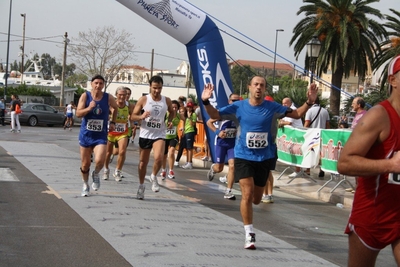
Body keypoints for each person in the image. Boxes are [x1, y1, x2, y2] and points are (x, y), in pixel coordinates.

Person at [201, 76, 318, 249]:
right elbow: (215, 115)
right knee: (246, 194)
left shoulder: (273, 107)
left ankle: (251, 222)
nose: (258, 88)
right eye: (255, 84)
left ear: (265, 90)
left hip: (264, 157)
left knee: (256, 199)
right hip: (243, 156)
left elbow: (297, 114)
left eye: (262, 85)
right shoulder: (238, 107)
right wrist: (205, 101)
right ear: (249, 87)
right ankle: (249, 233)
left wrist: (309, 102)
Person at [337, 55, 400, 267]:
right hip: (373, 214)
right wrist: (390, 165)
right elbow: (345, 163)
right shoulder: (378, 116)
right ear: (393, 80)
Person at [130, 75, 174, 199]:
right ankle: (141, 185)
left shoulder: (167, 100)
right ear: (150, 86)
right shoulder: (144, 99)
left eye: (159, 88)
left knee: (159, 158)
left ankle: (154, 176)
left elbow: (172, 111)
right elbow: (133, 116)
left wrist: (170, 120)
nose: (157, 91)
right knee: (143, 163)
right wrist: (141, 116)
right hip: (145, 134)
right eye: (154, 88)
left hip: (159, 134)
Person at [76, 74, 118, 197]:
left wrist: (113, 122)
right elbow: (78, 113)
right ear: (91, 84)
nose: (98, 85)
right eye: (96, 83)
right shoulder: (85, 96)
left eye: (101, 83)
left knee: (100, 160)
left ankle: (96, 173)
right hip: (86, 135)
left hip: (100, 136)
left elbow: (115, 108)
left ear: (103, 85)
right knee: (85, 164)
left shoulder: (108, 97)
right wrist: (89, 108)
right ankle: (85, 184)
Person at [206, 93, 241, 200]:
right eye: (233, 100)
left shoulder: (241, 113)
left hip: (233, 144)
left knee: (232, 166)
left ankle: (228, 191)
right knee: (219, 168)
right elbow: (209, 122)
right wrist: (218, 132)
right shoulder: (223, 112)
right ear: (229, 101)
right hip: (221, 143)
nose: (235, 102)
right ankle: (213, 168)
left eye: (237, 100)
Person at [103, 87, 131, 182]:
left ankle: (118, 171)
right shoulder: (111, 105)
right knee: (108, 153)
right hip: (111, 132)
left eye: (124, 94)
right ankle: (106, 169)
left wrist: (138, 121)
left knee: (122, 152)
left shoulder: (129, 106)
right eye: (120, 94)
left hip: (122, 132)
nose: (122, 96)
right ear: (116, 95)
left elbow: (134, 116)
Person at [304, 97, 330, 178]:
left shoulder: (309, 111)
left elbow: (307, 124)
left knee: (309, 151)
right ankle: (321, 170)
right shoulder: (325, 111)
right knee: (321, 153)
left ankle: (308, 170)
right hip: (322, 135)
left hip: (312, 135)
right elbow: (327, 125)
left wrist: (303, 132)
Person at [160, 100, 181, 179]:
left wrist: (184, 129)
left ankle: (171, 170)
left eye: (176, 107)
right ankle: (163, 170)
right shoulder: (165, 114)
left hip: (173, 137)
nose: (174, 109)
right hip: (164, 137)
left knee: (172, 151)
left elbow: (186, 119)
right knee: (164, 155)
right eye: (173, 107)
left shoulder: (179, 116)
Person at [180, 101, 197, 169]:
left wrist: (190, 118)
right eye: (188, 107)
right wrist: (183, 131)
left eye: (190, 107)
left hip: (190, 131)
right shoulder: (186, 114)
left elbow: (193, 124)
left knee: (190, 148)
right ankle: (187, 161)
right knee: (187, 148)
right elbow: (184, 122)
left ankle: (190, 162)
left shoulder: (193, 114)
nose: (189, 108)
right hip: (186, 131)